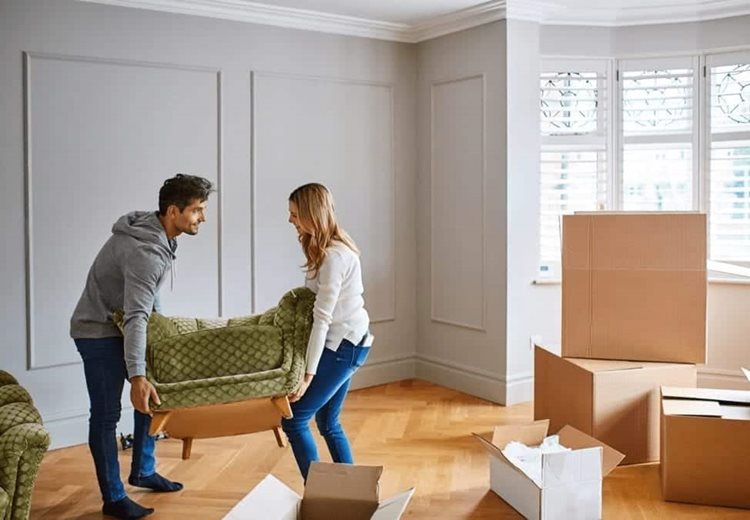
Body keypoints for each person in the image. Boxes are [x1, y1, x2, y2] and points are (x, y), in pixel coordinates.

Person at [70, 174, 214, 519]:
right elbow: (136, 314)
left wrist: (160, 337)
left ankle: (144, 471)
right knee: (106, 416)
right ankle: (114, 497)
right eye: (197, 210)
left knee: (151, 398)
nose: (202, 218)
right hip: (99, 332)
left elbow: (148, 300)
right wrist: (136, 375)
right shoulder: (145, 251)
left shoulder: (155, 233)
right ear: (173, 210)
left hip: (124, 326)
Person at [281, 182, 372, 481]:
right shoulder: (325, 250)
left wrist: (308, 376)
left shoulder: (334, 257)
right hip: (350, 342)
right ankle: (353, 495)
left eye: (295, 213)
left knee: (295, 421)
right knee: (328, 422)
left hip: (344, 347)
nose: (290, 220)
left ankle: (321, 495)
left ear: (310, 213)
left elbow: (323, 319)